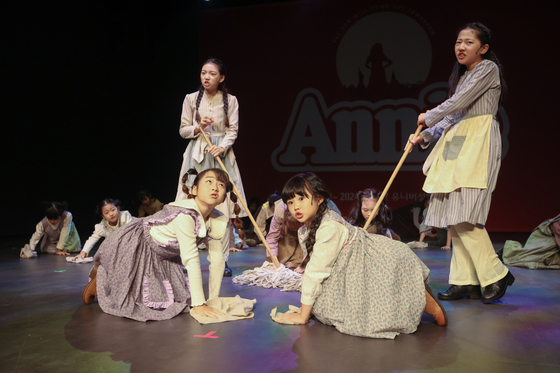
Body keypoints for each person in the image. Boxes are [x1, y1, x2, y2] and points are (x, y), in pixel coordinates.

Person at [408, 23, 513, 304]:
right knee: (453, 214)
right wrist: (427, 134)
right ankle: (464, 280)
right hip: (457, 141)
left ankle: (496, 274)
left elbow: (458, 103)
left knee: (465, 212)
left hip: (476, 140)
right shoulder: (465, 76)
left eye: (468, 42)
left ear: (484, 48)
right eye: (458, 42)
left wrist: (427, 116)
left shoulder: (487, 69)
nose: (461, 47)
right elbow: (455, 113)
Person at [275, 172, 446, 339]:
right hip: (350, 266)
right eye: (290, 201)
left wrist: (303, 316)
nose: (295, 206)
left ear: (319, 198)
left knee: (363, 315)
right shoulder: (308, 228)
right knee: (325, 307)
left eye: (301, 198)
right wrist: (308, 307)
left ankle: (424, 299)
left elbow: (316, 272)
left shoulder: (328, 227)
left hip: (375, 259)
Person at [82, 169, 238, 322]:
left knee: (165, 300)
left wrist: (213, 300)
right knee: (129, 293)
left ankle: (109, 274)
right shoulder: (185, 215)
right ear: (195, 189)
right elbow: (191, 259)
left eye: (221, 185)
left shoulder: (218, 219)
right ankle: (102, 277)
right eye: (209, 181)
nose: (215, 187)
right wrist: (199, 304)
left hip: (165, 254)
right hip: (141, 242)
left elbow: (218, 261)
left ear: (224, 197)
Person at [174, 58, 247, 276]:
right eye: (203, 73)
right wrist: (199, 127)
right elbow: (183, 130)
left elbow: (233, 130)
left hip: (220, 156)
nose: (206, 77)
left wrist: (222, 147)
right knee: (190, 206)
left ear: (221, 78)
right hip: (197, 155)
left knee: (222, 207)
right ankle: (187, 259)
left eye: (212, 74)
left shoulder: (231, 100)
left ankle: (222, 260)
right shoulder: (190, 99)